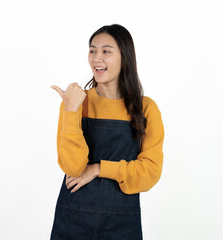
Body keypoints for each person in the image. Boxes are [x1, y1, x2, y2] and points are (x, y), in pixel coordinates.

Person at [50, 24, 164, 240]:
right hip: (72, 221)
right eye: (92, 50)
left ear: (125, 57)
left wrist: (98, 169)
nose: (96, 58)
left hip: (122, 223)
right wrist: (72, 111)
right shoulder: (75, 102)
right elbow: (72, 167)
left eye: (106, 51)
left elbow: (150, 173)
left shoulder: (146, 108)